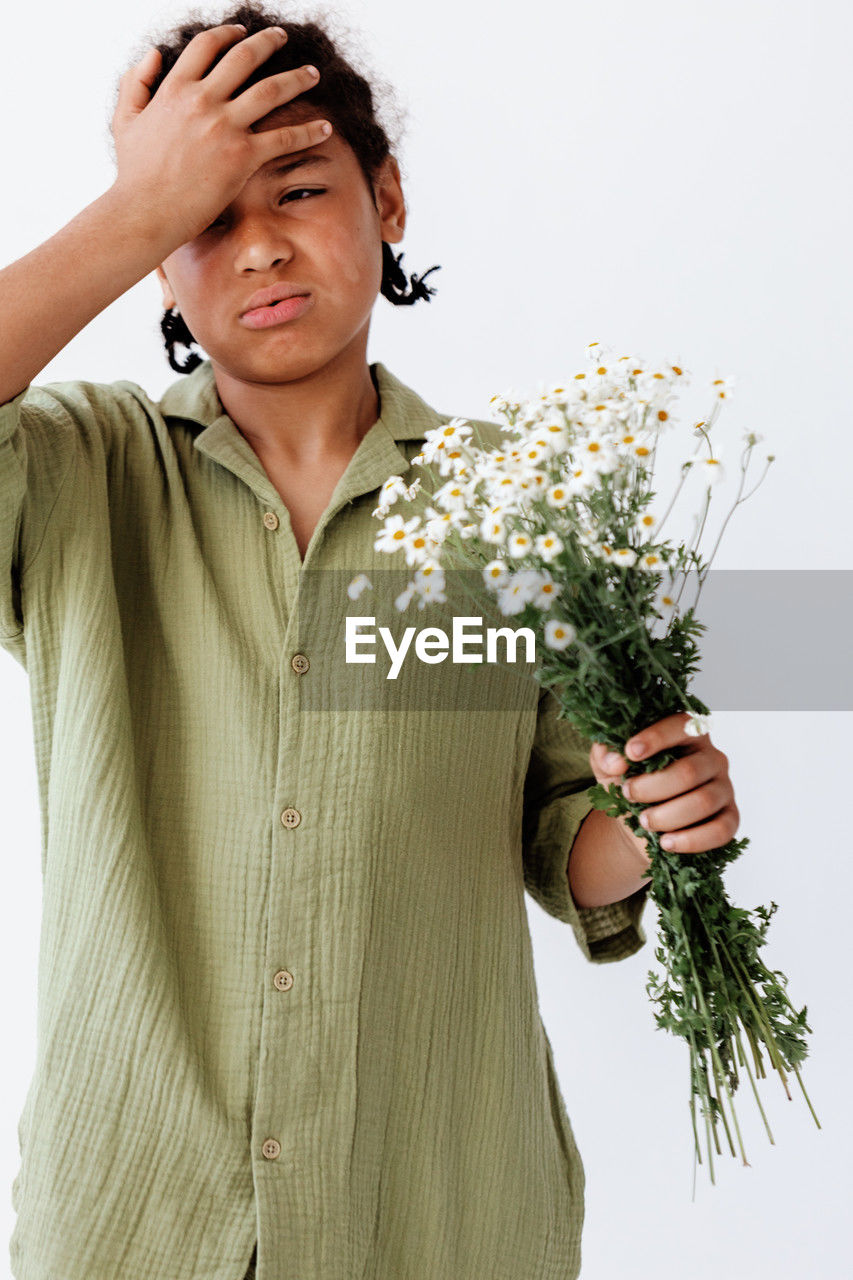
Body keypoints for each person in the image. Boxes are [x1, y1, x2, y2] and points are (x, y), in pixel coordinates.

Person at [0, 3, 739, 1277]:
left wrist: (660, 822)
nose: (259, 248)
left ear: (386, 197)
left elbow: (571, 842)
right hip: (140, 1223)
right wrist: (133, 207)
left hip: (443, 1214)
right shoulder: (83, 470)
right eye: (205, 217)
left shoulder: (523, 509)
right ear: (159, 264)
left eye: (295, 187)